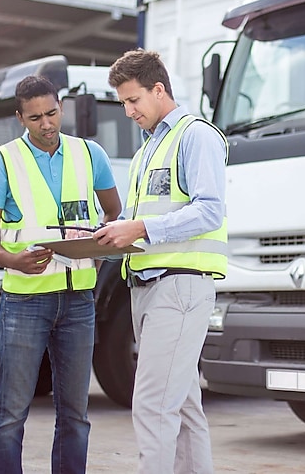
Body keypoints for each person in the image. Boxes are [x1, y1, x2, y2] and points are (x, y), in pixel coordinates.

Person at [0, 75, 122, 474]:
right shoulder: (2, 161)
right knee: (11, 413)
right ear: (20, 117)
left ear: (62, 107)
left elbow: (114, 212)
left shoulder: (90, 155)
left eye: (52, 113)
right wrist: (14, 261)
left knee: (75, 414)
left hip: (78, 302)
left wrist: (98, 249)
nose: (47, 124)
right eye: (35, 117)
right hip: (25, 301)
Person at [94, 49, 228, 474]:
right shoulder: (147, 151)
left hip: (180, 287)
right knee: (183, 410)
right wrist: (110, 232)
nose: (128, 111)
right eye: (123, 104)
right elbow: (144, 220)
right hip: (149, 290)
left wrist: (139, 229)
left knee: (152, 408)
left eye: (133, 101)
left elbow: (210, 210)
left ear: (158, 89)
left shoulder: (195, 135)